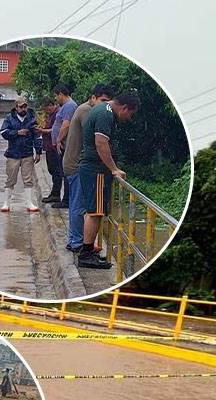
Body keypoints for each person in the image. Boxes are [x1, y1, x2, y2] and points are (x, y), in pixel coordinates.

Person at [77, 91, 141, 269]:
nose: (129, 118)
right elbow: (101, 143)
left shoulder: (102, 109)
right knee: (95, 212)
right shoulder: (105, 114)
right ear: (125, 108)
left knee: (94, 211)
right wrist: (114, 169)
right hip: (95, 168)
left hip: (92, 167)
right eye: (130, 114)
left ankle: (88, 251)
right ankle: (86, 254)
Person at [62, 84, 115, 253]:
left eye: (107, 102)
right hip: (78, 164)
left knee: (75, 205)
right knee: (80, 206)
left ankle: (74, 239)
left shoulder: (85, 109)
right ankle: (78, 242)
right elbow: (98, 139)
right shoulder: (88, 111)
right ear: (93, 98)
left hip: (72, 162)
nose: (104, 105)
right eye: (102, 101)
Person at [0, 96, 42, 212]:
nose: (23, 109)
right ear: (16, 107)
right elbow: (3, 132)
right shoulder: (9, 118)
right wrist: (17, 133)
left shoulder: (32, 118)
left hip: (27, 153)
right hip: (13, 154)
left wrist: (38, 152)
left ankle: (29, 203)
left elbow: (37, 136)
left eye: (25, 106)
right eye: (21, 107)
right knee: (10, 179)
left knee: (28, 179)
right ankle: (6, 203)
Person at [50, 84, 78, 209]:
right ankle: (65, 198)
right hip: (61, 144)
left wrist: (59, 139)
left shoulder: (70, 106)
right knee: (62, 171)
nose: (56, 98)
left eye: (56, 96)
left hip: (64, 144)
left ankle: (66, 200)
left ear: (61, 94)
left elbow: (66, 125)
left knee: (65, 171)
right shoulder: (66, 106)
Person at [37, 99, 63, 204]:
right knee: (52, 170)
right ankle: (54, 193)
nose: (46, 110)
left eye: (47, 108)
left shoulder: (58, 114)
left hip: (54, 147)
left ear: (51, 105)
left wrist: (43, 131)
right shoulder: (50, 115)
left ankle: (56, 194)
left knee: (56, 171)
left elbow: (56, 129)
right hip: (48, 146)